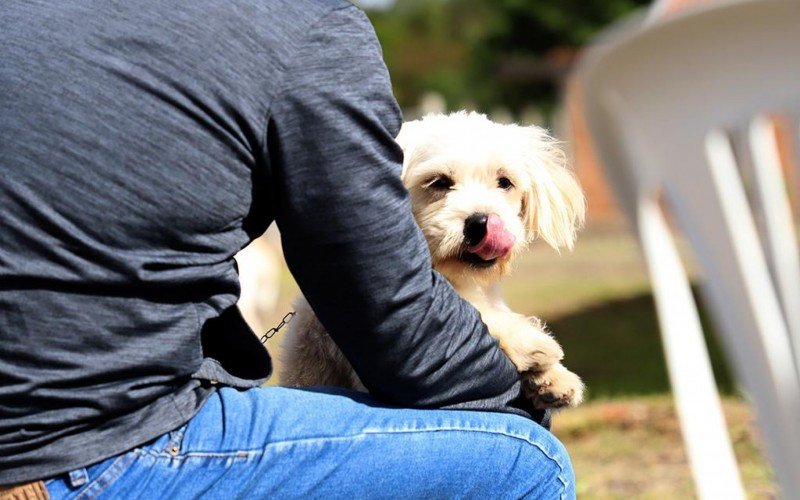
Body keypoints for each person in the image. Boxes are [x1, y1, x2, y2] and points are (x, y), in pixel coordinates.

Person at [0, 1, 575, 497]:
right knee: (523, 459)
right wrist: (520, 394)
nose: (483, 210)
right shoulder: (306, 31)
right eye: (439, 183)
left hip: (42, 427)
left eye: (504, 185)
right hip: (82, 450)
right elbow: (388, 315)